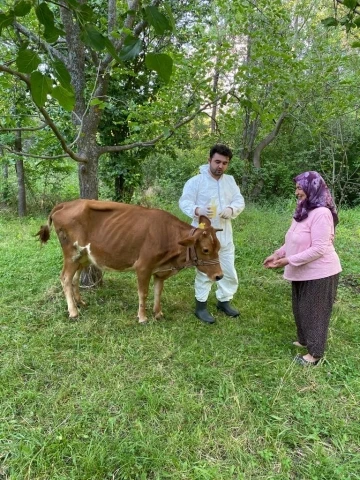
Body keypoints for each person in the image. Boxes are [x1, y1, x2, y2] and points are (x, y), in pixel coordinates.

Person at [263, 171, 341, 366]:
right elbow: (292, 238)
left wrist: (288, 260)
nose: (297, 192)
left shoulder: (322, 213)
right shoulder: (303, 209)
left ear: (312, 188)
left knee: (315, 311)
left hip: (321, 272)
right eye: (296, 188)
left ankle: (314, 355)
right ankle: (305, 340)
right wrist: (278, 254)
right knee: (300, 307)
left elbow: (319, 248)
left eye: (300, 187)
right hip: (302, 270)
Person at [179, 144, 245, 324]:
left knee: (228, 268)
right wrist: (197, 209)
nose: (220, 166)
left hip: (224, 233)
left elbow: (239, 200)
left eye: (225, 163)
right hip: (203, 235)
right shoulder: (196, 182)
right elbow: (184, 201)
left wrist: (231, 209)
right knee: (205, 270)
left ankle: (224, 301)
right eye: (217, 162)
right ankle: (201, 306)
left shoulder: (230, 181)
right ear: (209, 160)